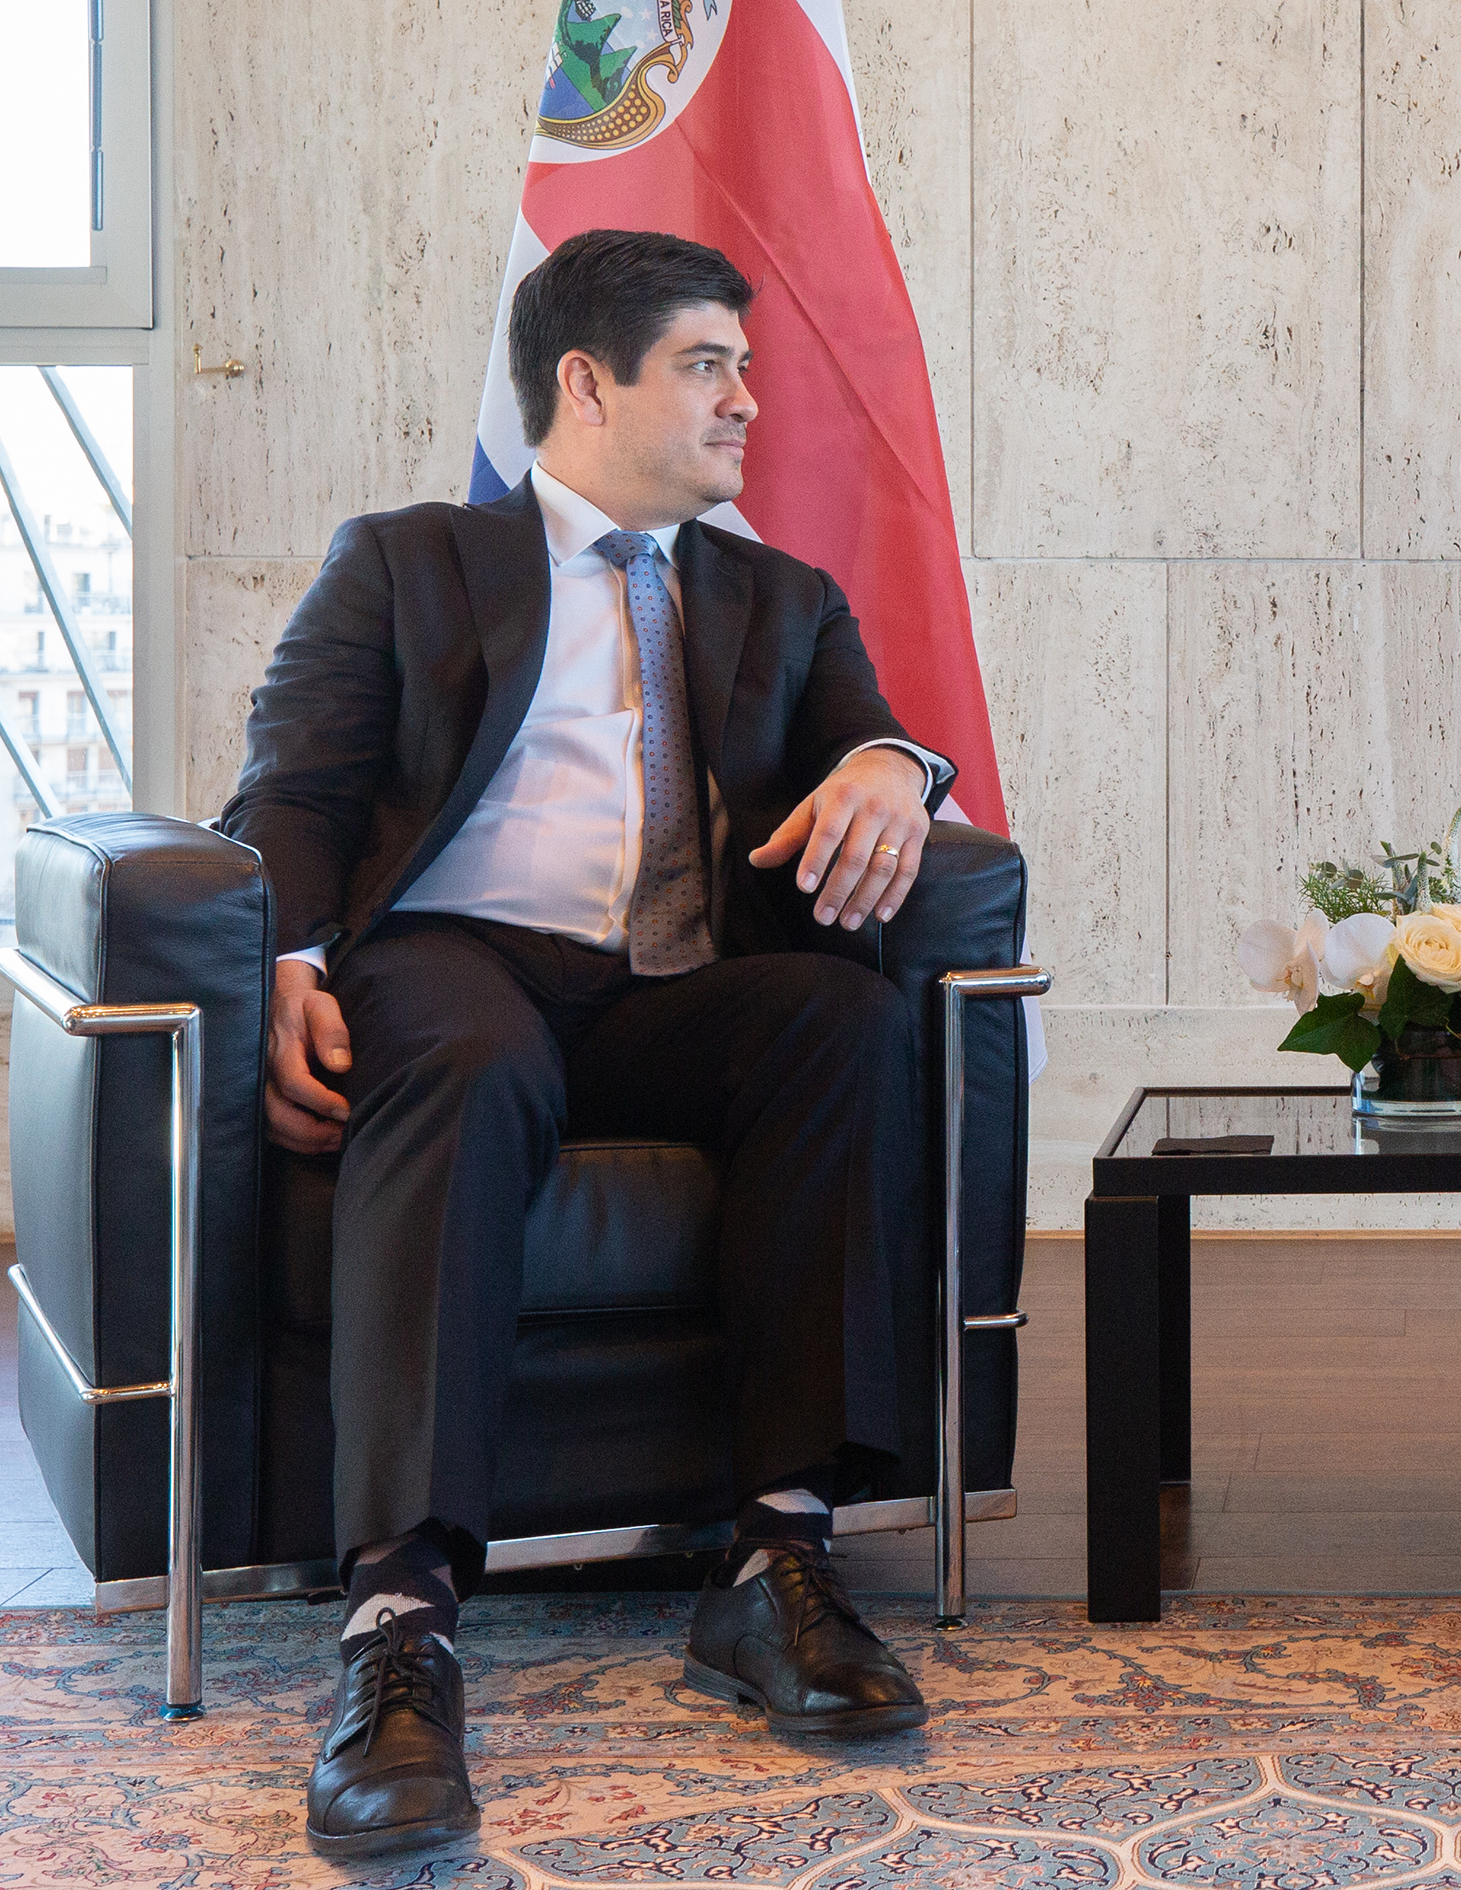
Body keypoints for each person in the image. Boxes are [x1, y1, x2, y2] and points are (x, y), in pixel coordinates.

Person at [224, 229, 959, 1859]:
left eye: (743, 368)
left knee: (841, 1015)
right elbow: (293, 784)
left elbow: (874, 739)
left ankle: (775, 1560)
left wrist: (901, 768)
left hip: (676, 986)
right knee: (471, 1055)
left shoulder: (781, 594)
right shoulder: (410, 563)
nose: (747, 401)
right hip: (459, 960)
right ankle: (400, 1623)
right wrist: (277, 950)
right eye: (710, 364)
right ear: (586, 380)